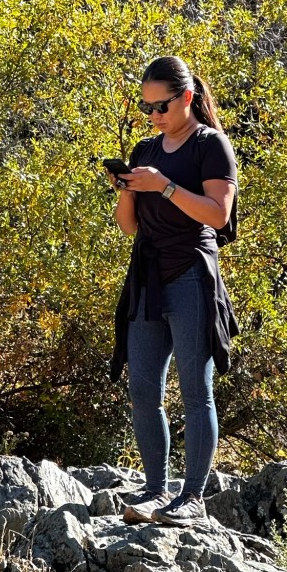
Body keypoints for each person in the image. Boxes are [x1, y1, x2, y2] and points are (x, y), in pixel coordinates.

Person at [108, 56, 239, 527]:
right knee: (142, 389)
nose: (154, 116)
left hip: (190, 273)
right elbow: (128, 227)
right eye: (147, 109)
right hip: (148, 277)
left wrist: (163, 187)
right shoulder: (146, 149)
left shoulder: (212, 146)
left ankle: (193, 498)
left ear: (186, 98)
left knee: (195, 390)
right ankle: (154, 490)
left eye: (161, 106)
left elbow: (218, 215)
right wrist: (128, 188)